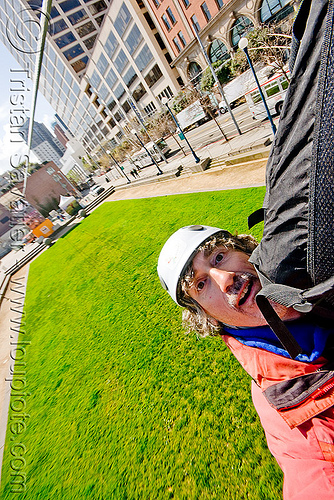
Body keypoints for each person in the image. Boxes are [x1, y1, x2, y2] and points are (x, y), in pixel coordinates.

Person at [157, 225, 334, 499]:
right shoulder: (293, 418)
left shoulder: (319, 263)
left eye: (219, 257)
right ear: (207, 317)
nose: (226, 279)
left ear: (247, 249)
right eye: (201, 284)